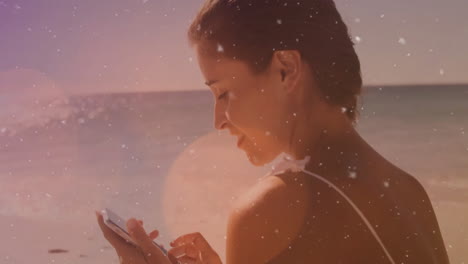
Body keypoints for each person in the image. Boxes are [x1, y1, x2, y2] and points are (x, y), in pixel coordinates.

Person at [96, 0, 451, 263]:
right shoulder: (409, 191)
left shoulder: (270, 209)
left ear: (285, 68)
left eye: (222, 92)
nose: (217, 120)